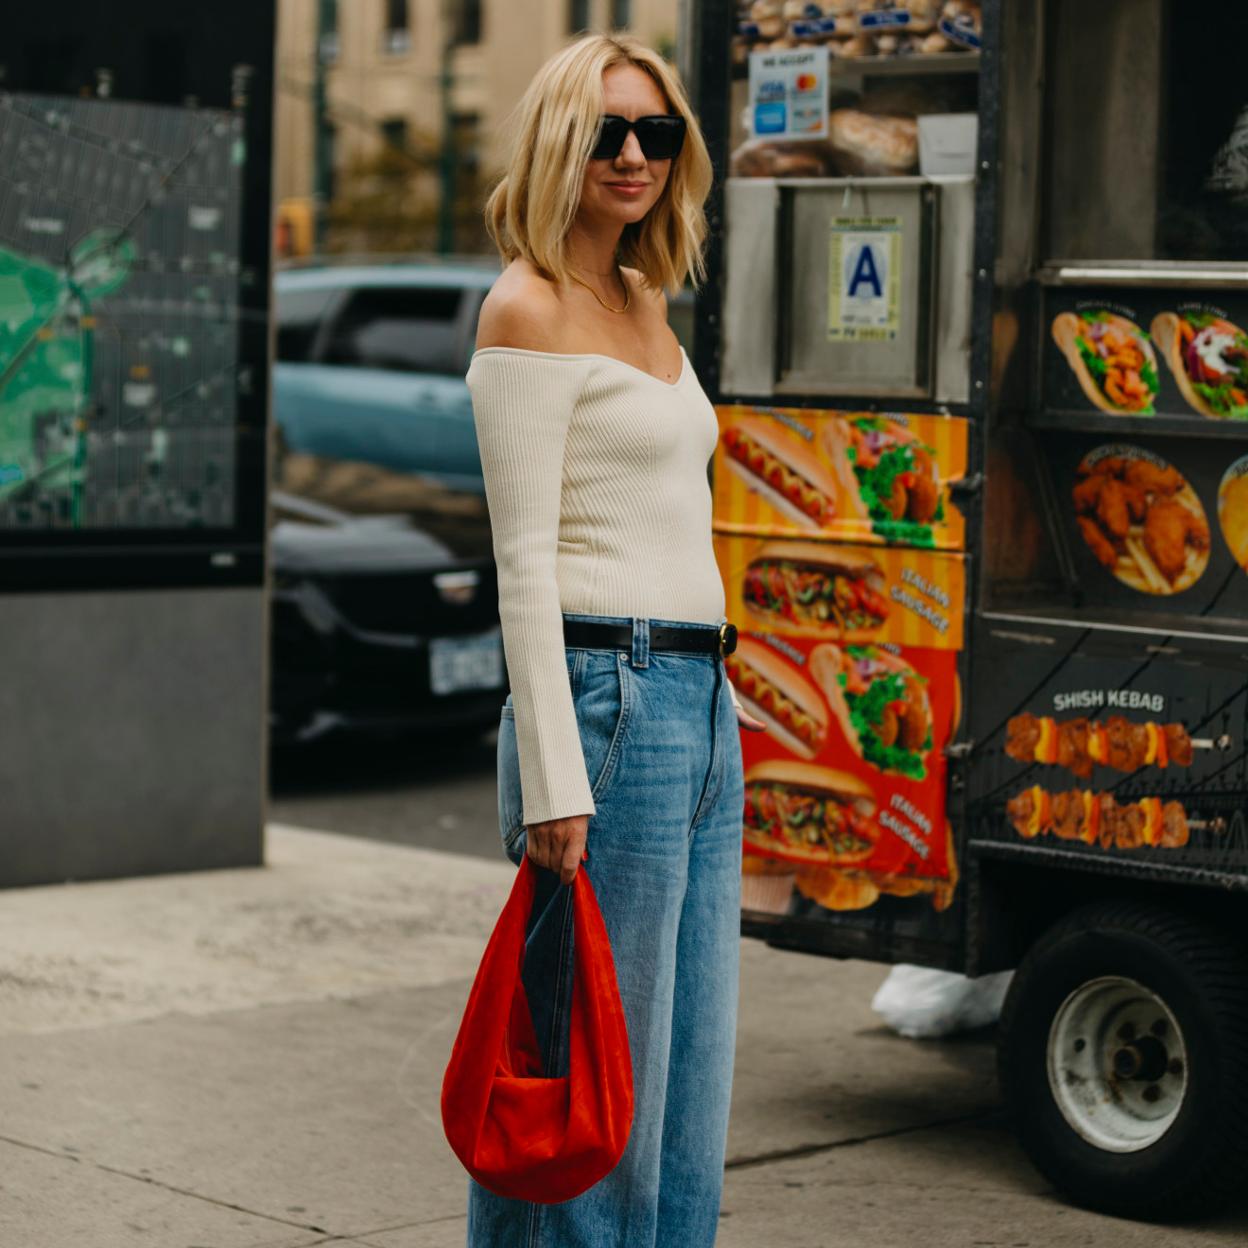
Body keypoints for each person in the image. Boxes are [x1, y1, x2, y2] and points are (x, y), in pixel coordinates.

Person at [463, 30, 765, 1248]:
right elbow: (523, 564)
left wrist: (721, 708)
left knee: (690, 1075)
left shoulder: (644, 302)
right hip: (609, 697)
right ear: (558, 141)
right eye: (607, 132)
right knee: (589, 1081)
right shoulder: (525, 306)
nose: (635, 154)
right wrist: (553, 779)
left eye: (658, 131)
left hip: (698, 698)